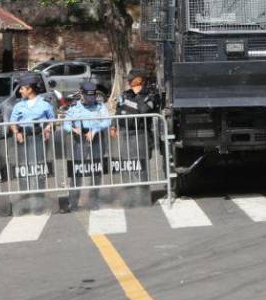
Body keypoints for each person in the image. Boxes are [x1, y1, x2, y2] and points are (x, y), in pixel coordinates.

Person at [62, 81, 112, 211]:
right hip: (79, 141)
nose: (91, 100)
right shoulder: (74, 107)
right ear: (82, 95)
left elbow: (107, 120)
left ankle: (93, 200)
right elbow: (66, 124)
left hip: (96, 140)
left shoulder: (100, 106)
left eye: (93, 97)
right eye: (88, 97)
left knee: (96, 171)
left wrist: (95, 130)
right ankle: (73, 201)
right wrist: (73, 129)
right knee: (77, 172)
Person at [9, 72, 55, 189]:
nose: (20, 91)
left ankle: (41, 193)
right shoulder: (18, 106)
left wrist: (48, 129)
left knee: (40, 166)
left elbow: (53, 120)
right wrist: (16, 132)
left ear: (29, 90)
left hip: (40, 139)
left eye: (22, 89)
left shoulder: (45, 104)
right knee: (24, 168)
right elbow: (12, 122)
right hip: (23, 140)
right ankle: (25, 195)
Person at [111, 69, 159, 180]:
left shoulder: (151, 95)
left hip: (142, 136)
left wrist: (138, 95)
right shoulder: (125, 94)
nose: (128, 81)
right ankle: (131, 192)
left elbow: (144, 110)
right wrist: (113, 126)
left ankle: (142, 192)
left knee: (141, 165)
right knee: (128, 164)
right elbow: (118, 111)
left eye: (131, 79)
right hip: (126, 135)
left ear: (139, 80)